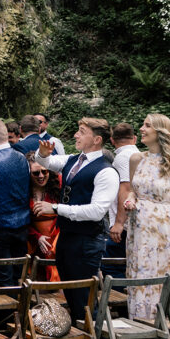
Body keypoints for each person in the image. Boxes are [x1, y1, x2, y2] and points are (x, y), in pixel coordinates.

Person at [33, 118, 118, 323]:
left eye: (81, 131)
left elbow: (97, 211)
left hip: (88, 240)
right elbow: (47, 162)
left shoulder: (106, 171)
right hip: (67, 237)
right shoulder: (74, 159)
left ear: (96, 139)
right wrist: (42, 154)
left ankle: (94, 332)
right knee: (71, 295)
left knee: (83, 299)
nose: (75, 135)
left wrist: (55, 208)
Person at [123, 114, 170, 319]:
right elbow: (133, 189)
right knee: (142, 274)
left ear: (160, 131)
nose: (141, 129)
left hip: (166, 230)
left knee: (164, 275)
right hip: (139, 230)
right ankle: (142, 323)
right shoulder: (136, 159)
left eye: (147, 126)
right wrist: (131, 198)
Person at [0, 118, 31, 287]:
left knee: (1, 282)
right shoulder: (22, 158)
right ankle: (19, 312)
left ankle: (7, 314)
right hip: (22, 227)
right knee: (17, 277)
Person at [105, 122, 141, 279]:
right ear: (135, 138)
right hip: (132, 220)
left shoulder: (122, 157)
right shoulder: (138, 153)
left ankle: (119, 301)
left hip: (124, 224)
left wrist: (119, 223)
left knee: (111, 268)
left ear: (112, 140)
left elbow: (126, 189)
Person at [26, 152, 60, 281]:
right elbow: (22, 219)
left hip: (56, 240)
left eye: (44, 172)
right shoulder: (24, 191)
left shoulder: (58, 186)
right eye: (36, 173)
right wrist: (37, 237)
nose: (41, 176)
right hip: (33, 241)